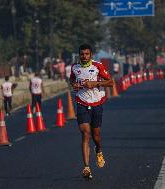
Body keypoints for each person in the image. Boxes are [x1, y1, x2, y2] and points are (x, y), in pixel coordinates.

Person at [69, 44, 113, 179]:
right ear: (79, 55)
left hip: (97, 103)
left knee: (96, 135)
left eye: (87, 54)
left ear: (91, 55)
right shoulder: (74, 68)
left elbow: (110, 82)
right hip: (81, 103)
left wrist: (95, 84)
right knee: (85, 134)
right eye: (82, 54)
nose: (84, 56)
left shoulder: (97, 66)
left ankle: (98, 150)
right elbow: (71, 79)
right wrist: (74, 84)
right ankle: (86, 167)